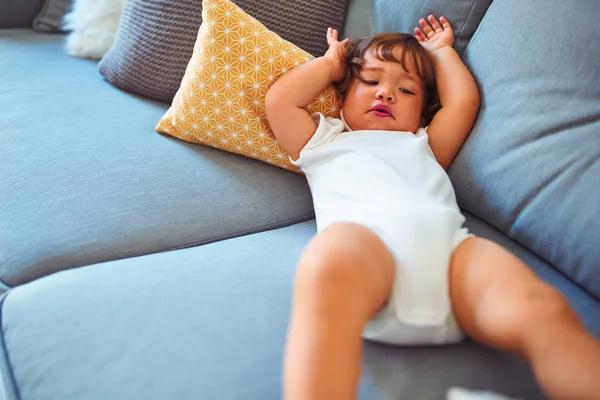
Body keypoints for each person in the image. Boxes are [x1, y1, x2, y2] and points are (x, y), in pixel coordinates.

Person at [264, 14, 600, 400]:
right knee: (327, 261)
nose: (386, 93)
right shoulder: (322, 142)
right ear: (341, 98)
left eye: (406, 91)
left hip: (453, 262)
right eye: (371, 81)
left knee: (542, 309)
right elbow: (280, 100)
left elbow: (463, 101)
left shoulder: (425, 143)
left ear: (422, 113)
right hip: (368, 264)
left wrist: (442, 53)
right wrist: (329, 64)